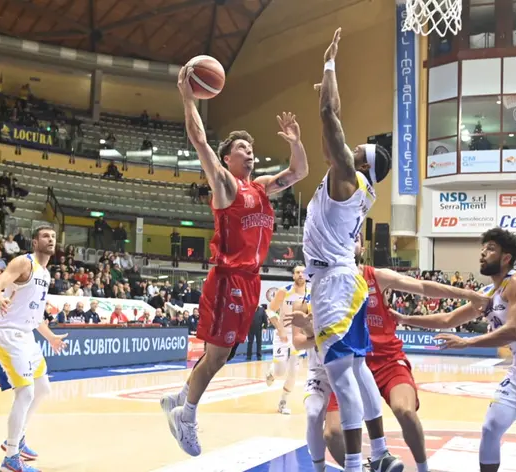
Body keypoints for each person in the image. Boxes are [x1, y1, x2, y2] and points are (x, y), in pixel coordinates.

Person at [161, 62, 310, 457]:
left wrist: (295, 141)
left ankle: (180, 398)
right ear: (227, 158)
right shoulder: (226, 185)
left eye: (252, 149)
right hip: (229, 278)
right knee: (217, 355)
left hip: (250, 280)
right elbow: (198, 139)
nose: (250, 153)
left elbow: (300, 171)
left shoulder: (260, 187)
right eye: (243, 148)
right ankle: (186, 416)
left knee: (222, 354)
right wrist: (188, 98)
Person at [293, 239, 487, 472]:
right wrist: (307, 326)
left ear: (363, 248)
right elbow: (311, 337)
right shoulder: (328, 283)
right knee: (332, 433)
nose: (349, 241)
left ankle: (422, 467)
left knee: (405, 411)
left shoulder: (377, 276)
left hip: (387, 360)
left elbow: (422, 287)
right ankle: (367, 466)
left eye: (355, 238)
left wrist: (467, 294)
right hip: (350, 363)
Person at [395, 227, 516, 472]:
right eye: (483, 248)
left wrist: (467, 343)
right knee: (491, 427)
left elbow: (515, 331)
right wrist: (403, 318)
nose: (483, 253)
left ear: (506, 258)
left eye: (491, 249)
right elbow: (447, 320)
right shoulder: (487, 294)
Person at [302, 27, 397, 472]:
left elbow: (329, 113)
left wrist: (330, 63)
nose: (350, 144)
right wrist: (325, 90)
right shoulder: (359, 186)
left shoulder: (347, 178)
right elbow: (328, 129)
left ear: (360, 162)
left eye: (356, 148)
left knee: (343, 376)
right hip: (346, 281)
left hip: (333, 284)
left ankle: (358, 465)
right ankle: (381, 452)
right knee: (358, 370)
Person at [0, 226, 68, 472]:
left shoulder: (46, 273)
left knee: (43, 388)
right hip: (8, 335)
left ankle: (17, 438)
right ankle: (10, 459)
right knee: (25, 393)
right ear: (34, 242)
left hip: (27, 336)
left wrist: (51, 337)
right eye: (45, 236)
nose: (50, 239)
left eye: (53, 236)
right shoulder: (24, 263)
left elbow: (35, 315)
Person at [265, 265, 309, 415]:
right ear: (293, 275)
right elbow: (270, 310)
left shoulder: (311, 293)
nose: (301, 275)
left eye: (303, 272)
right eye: (298, 272)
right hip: (282, 334)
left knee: (294, 372)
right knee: (280, 371)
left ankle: (283, 402)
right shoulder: (284, 291)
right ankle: (272, 372)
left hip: (299, 335)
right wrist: (280, 329)